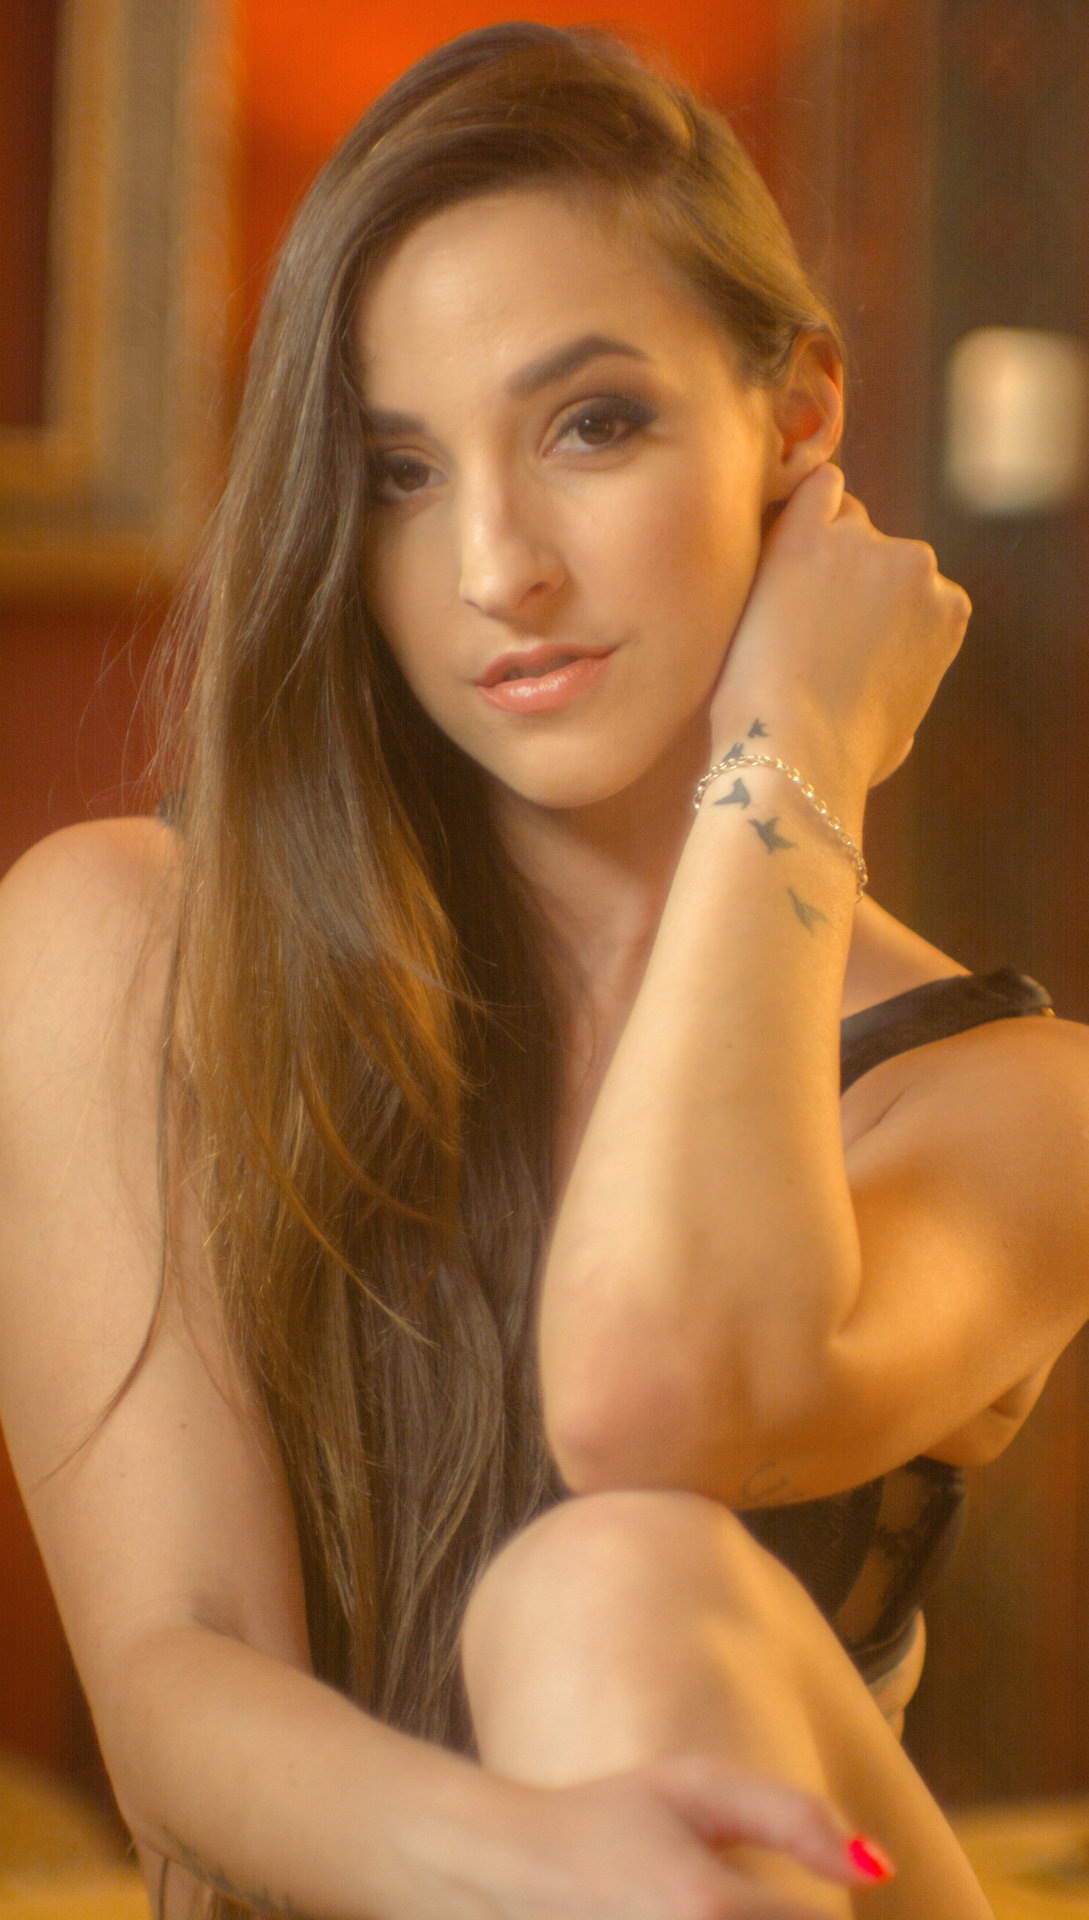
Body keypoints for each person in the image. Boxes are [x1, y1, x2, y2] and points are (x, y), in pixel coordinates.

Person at [1, 20, 1088, 1919]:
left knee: (613, 1582)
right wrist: (548, 1870)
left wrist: (792, 753)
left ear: (797, 414)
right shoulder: (125, 945)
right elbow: (177, 1690)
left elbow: (644, 1405)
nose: (497, 566)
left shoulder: (1015, 1101)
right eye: (399, 472)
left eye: (592, 424)